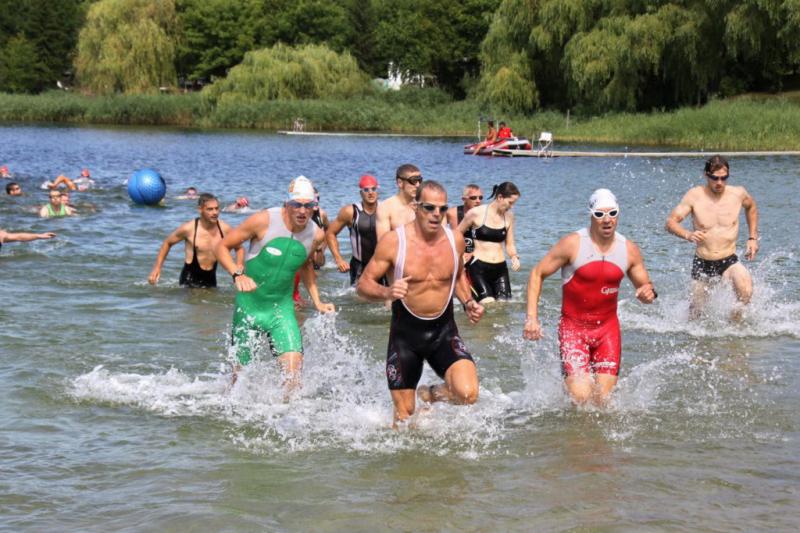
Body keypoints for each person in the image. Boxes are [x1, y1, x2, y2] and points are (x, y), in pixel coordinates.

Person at [357, 180, 485, 426]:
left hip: (444, 332)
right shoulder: (395, 242)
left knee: (468, 394)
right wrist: (387, 291)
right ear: (416, 207)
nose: (436, 214)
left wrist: (468, 301)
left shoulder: (455, 240)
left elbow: (457, 275)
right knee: (404, 418)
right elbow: (363, 285)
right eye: (429, 208)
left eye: (442, 208)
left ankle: (430, 394)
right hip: (405, 337)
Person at [523, 189, 657, 406]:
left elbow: (646, 287)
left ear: (618, 214)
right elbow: (537, 273)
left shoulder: (629, 250)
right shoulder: (573, 244)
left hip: (607, 331)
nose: (607, 220)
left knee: (603, 401)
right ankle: (568, 390)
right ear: (591, 215)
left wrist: (648, 293)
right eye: (599, 214)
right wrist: (531, 318)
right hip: (573, 329)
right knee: (581, 397)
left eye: (612, 213)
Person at [214, 176, 335, 390]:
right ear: (287, 203)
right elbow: (221, 247)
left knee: (293, 379)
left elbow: (305, 265)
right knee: (238, 382)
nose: (302, 211)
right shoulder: (263, 220)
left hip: (281, 311)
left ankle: (286, 410)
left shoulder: (316, 235)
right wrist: (237, 274)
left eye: (308, 206)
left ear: (314, 207)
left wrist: (317, 301)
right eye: (297, 204)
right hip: (249, 308)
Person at [666, 155, 759, 319]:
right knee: (696, 314)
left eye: (724, 178)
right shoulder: (695, 196)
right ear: (706, 175)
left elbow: (751, 207)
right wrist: (688, 234)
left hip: (729, 260)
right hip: (703, 263)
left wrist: (752, 238)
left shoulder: (738, 193)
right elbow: (670, 223)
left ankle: (734, 326)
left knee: (746, 291)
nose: (719, 183)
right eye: (715, 178)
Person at [148, 193, 242, 288]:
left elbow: (239, 248)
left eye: (216, 208)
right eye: (210, 209)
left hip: (211, 280)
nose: (215, 212)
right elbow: (167, 243)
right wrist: (157, 268)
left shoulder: (225, 229)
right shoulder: (189, 229)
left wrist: (238, 268)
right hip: (188, 281)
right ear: (200, 209)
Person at [458, 182, 521, 303]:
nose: (512, 207)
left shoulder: (509, 216)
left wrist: (514, 256)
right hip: (478, 267)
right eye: (510, 202)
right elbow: (457, 234)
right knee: (489, 305)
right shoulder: (476, 213)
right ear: (500, 197)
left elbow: (510, 244)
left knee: (503, 306)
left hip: (500, 269)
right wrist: (461, 254)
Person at [325, 174, 381, 285]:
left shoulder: (386, 209)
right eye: (366, 190)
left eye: (373, 189)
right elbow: (330, 233)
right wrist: (339, 259)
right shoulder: (350, 211)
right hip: (359, 265)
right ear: (361, 193)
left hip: (382, 264)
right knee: (357, 296)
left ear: (377, 191)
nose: (370, 193)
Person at [376, 164, 422, 242]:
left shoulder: (424, 206)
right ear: (400, 183)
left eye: (420, 180)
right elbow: (383, 243)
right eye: (413, 181)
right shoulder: (385, 208)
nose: (418, 185)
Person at [446, 184, 483, 263]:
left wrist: (473, 254)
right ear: (464, 199)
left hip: (478, 256)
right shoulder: (452, 213)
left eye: (480, 197)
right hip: (458, 256)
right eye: (473, 198)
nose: (478, 201)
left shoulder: (485, 215)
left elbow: (490, 243)